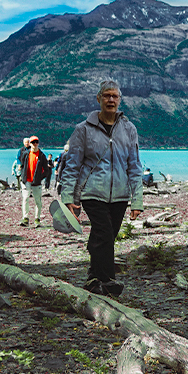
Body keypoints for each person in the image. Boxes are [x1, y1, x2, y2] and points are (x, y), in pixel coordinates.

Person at [60, 80, 144, 296]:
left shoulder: (129, 129)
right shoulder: (82, 130)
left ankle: (92, 278)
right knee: (104, 234)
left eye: (115, 96)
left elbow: (134, 166)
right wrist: (69, 196)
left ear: (120, 100)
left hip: (120, 195)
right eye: (106, 95)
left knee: (104, 236)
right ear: (98, 99)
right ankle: (108, 281)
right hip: (91, 192)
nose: (111, 100)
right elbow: (72, 165)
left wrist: (137, 200)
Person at [17, 136, 52, 226]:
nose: (35, 144)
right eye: (33, 142)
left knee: (38, 201)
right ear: (30, 143)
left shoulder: (41, 155)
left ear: (38, 143)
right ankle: (25, 218)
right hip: (26, 181)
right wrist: (22, 176)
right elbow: (22, 166)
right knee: (25, 199)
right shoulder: (25, 154)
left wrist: (40, 178)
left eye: (36, 142)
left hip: (36, 182)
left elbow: (46, 170)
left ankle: (37, 219)